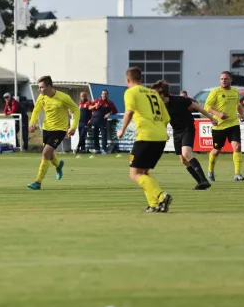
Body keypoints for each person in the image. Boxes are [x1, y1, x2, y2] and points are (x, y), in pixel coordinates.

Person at [116, 67, 172, 213]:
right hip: (160, 137)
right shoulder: (153, 93)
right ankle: (154, 205)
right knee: (144, 172)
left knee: (134, 173)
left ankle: (161, 196)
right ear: (141, 79)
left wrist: (121, 130)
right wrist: (163, 131)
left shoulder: (130, 92)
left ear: (128, 80)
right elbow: (166, 118)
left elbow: (129, 111)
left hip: (146, 136)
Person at [151, 80, 218, 190]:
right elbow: (165, 121)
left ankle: (204, 180)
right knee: (183, 160)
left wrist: (211, 118)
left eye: (154, 94)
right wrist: (164, 132)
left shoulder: (180, 100)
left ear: (162, 94)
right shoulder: (160, 106)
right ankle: (201, 182)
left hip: (188, 128)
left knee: (186, 153)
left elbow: (199, 108)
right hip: (176, 132)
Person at [27, 76, 79, 190]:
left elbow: (76, 110)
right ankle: (58, 165)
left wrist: (73, 127)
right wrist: (32, 122)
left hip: (59, 130)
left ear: (49, 86)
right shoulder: (42, 97)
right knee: (49, 154)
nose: (40, 90)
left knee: (45, 153)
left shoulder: (63, 97)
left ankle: (38, 182)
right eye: (39, 88)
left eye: (42, 87)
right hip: (46, 128)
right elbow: (36, 110)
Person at [204, 71, 244, 182]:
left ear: (230, 80)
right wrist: (218, 114)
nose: (223, 80)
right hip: (219, 126)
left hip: (233, 124)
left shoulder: (235, 91)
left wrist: (242, 114)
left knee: (237, 147)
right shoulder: (215, 92)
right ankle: (210, 171)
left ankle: (237, 174)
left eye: (226, 78)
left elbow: (238, 104)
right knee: (217, 150)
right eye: (221, 78)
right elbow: (207, 106)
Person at [89, 90, 118, 154]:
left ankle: (104, 149)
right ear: (101, 94)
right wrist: (94, 106)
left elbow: (115, 111)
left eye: (105, 94)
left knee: (104, 135)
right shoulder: (96, 100)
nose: (104, 95)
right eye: (103, 94)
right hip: (94, 120)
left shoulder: (109, 103)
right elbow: (89, 108)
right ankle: (97, 149)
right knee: (95, 135)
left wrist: (109, 113)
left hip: (103, 121)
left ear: (107, 95)